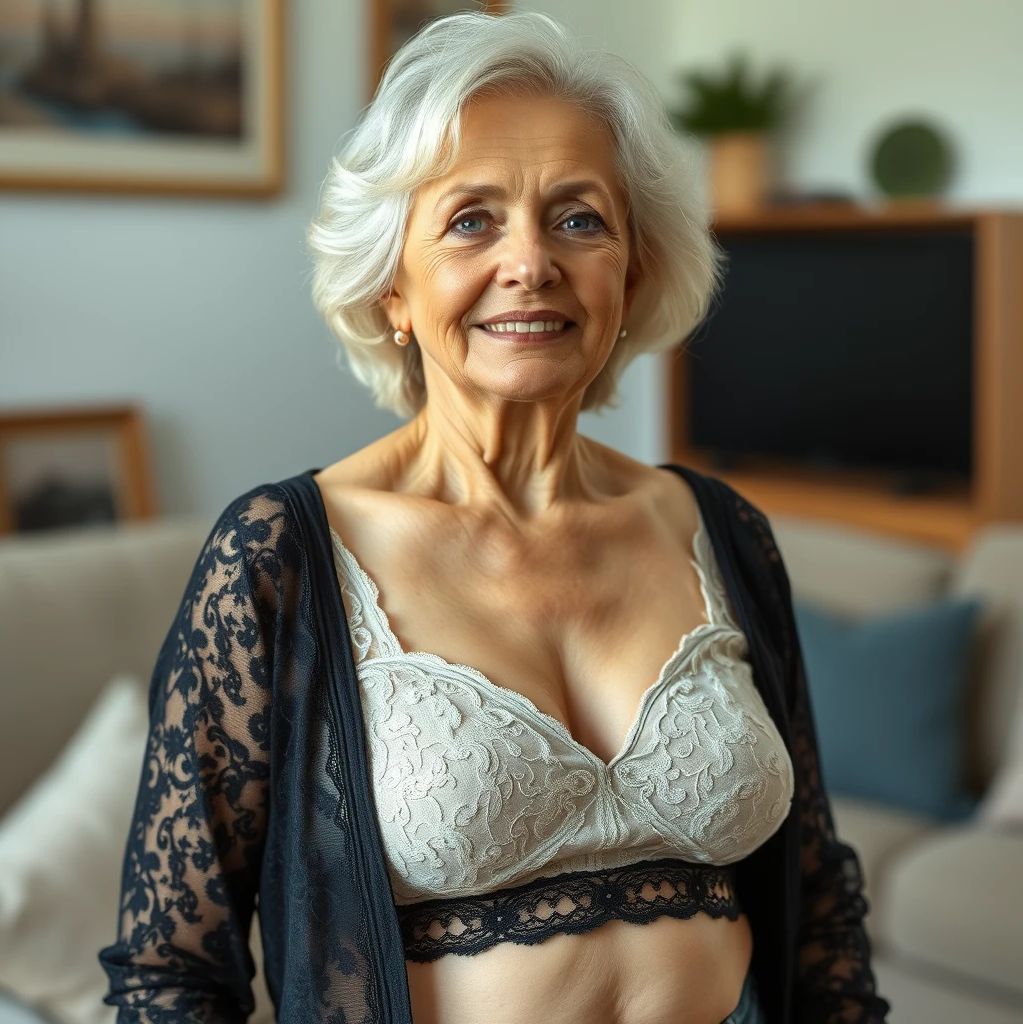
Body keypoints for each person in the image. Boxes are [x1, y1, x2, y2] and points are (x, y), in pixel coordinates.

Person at [99, 11, 890, 1024]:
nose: (531, 263)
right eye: (472, 219)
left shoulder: (722, 529)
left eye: (578, 218)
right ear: (394, 283)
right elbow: (170, 975)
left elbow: (818, 900)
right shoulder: (278, 556)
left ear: (631, 272)